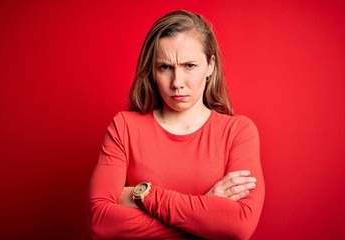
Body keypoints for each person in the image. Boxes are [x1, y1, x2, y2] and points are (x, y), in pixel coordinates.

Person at [87, 10, 265, 240]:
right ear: (152, 70)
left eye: (189, 66)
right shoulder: (124, 127)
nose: (177, 83)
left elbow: (238, 226)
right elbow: (100, 222)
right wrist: (205, 211)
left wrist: (144, 195)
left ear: (210, 65)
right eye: (165, 67)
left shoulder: (238, 132)